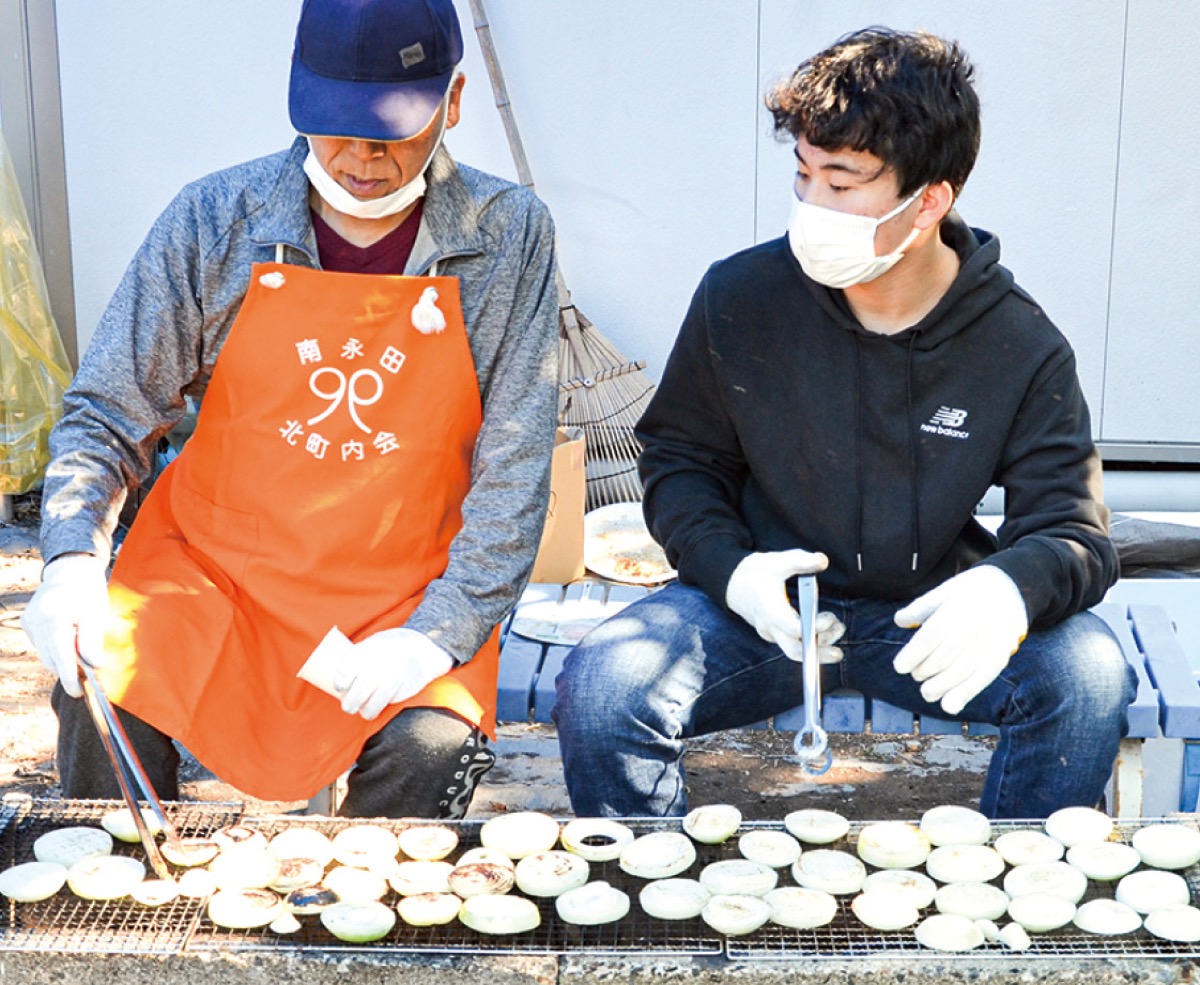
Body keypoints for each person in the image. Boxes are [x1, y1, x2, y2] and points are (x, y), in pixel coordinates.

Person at [553, 26, 1136, 820]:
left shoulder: (1019, 344)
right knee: (602, 684)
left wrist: (1006, 590)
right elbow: (681, 459)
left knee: (1088, 676)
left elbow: (1074, 529)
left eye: (844, 182)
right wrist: (732, 570)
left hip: (928, 614)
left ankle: (1004, 904)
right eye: (804, 176)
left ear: (930, 200)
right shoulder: (741, 297)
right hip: (763, 613)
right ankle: (647, 901)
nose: (812, 207)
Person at [21, 0, 559, 819]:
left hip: (407, 581)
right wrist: (68, 563)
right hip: (216, 571)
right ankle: (127, 908)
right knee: (102, 689)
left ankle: (344, 935)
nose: (361, 159)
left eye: (394, 131)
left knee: (430, 747)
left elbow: (515, 462)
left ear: (452, 105)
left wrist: (436, 633)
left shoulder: (509, 233)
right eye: (335, 127)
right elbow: (107, 408)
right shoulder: (215, 218)